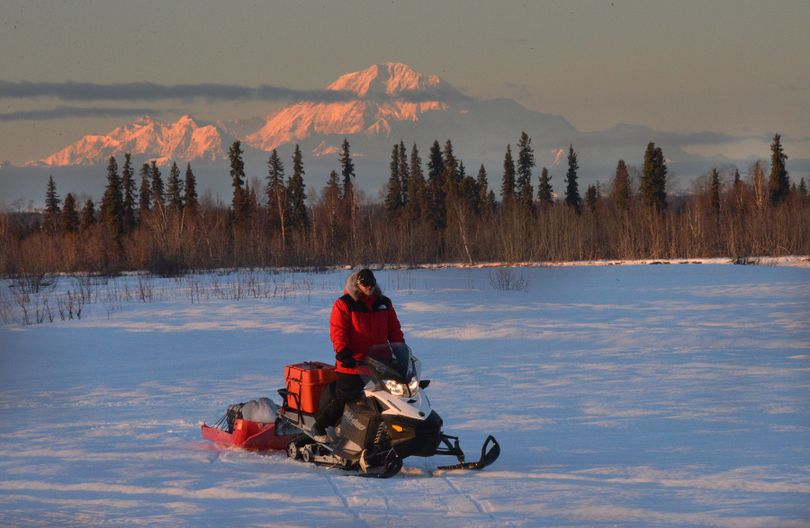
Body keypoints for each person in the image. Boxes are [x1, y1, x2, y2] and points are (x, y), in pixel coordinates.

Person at [311, 268, 404, 441]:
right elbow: (338, 331)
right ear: (357, 284)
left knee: (390, 399)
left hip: (381, 363)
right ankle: (319, 426)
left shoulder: (384, 303)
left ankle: (386, 433)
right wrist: (343, 352)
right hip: (353, 364)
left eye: (371, 284)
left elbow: (394, 330)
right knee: (345, 398)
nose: (368, 287)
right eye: (364, 284)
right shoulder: (345, 303)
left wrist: (400, 350)